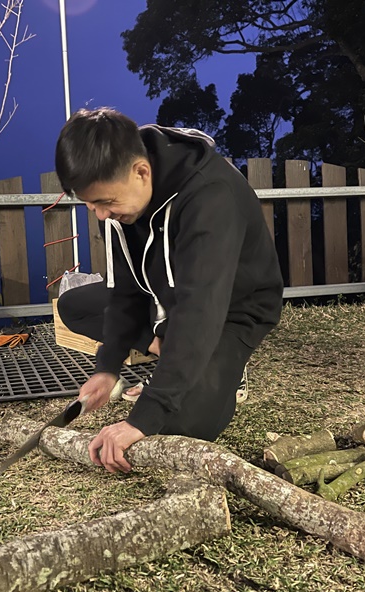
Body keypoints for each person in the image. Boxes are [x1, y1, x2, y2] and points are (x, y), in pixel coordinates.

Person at [54, 108, 283, 474]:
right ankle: (168, 346)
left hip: (229, 311)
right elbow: (125, 291)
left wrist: (143, 418)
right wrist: (107, 367)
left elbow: (200, 309)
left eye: (106, 203)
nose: (100, 215)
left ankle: (218, 363)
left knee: (179, 427)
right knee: (73, 306)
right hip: (162, 298)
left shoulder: (210, 195)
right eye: (91, 204)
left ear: (141, 172)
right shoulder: (121, 200)